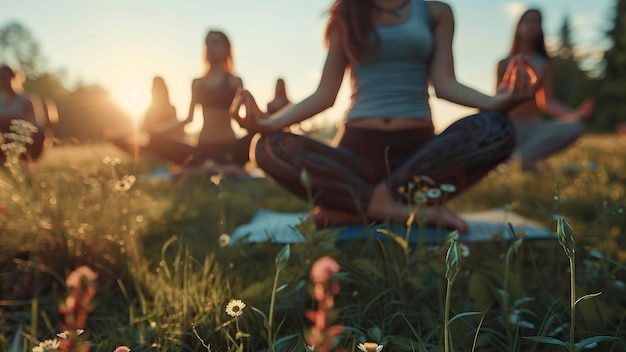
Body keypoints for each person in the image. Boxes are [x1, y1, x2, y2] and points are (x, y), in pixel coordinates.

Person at [230, 0, 540, 232]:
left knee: (497, 126)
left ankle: (357, 208)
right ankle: (397, 208)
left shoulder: (436, 11)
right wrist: (267, 124)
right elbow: (324, 95)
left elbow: (445, 84)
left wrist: (497, 102)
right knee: (266, 146)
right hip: (357, 152)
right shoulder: (345, 14)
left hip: (418, 155)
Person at [142, 30, 254, 174]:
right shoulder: (197, 83)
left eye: (215, 43)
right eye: (207, 44)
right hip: (202, 147)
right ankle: (220, 169)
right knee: (155, 139)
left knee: (257, 138)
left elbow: (240, 118)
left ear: (226, 49)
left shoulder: (234, 82)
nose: (210, 48)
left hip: (229, 146)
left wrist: (260, 126)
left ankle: (200, 169)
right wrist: (158, 131)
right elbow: (189, 118)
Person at [497, 9, 594, 171]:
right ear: (518, 26)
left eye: (537, 21)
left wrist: (576, 115)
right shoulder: (503, 63)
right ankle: (524, 161)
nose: (533, 25)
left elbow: (546, 101)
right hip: (510, 128)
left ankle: (515, 161)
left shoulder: (545, 63)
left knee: (576, 126)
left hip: (535, 129)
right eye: (527, 20)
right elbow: (497, 99)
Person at [0, 64, 51, 164]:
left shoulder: (27, 100)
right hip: (6, 141)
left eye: (4, 77)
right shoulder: (0, 100)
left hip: (29, 140)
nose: (2, 80)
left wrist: (7, 121)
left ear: (12, 77)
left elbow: (31, 124)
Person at [141, 76, 185, 140]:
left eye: (157, 88)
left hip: (168, 145)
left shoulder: (171, 109)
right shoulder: (150, 110)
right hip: (153, 144)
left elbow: (179, 132)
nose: (152, 90)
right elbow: (144, 129)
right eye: (154, 87)